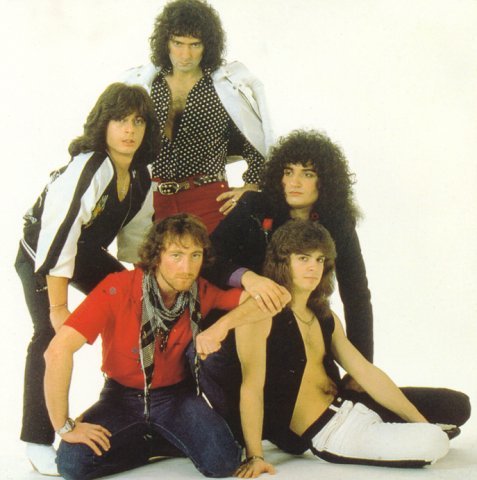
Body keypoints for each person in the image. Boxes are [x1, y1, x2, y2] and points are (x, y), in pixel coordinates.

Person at [44, 214, 290, 480]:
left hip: (175, 397)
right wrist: (64, 426)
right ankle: (149, 444)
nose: (187, 267)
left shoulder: (201, 290)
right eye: (176, 255)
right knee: (72, 465)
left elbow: (277, 299)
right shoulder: (117, 288)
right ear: (156, 256)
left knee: (223, 462)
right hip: (121, 397)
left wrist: (222, 326)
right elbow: (57, 351)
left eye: (195, 256)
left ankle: (158, 437)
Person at [233, 219, 467, 477]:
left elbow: (365, 372)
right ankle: (414, 435)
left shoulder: (324, 316)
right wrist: (255, 455)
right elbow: (251, 387)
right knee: (434, 441)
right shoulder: (262, 312)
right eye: (303, 258)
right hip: (331, 431)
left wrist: (419, 422)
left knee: (457, 407)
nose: (313, 267)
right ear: (282, 262)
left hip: (352, 406)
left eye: (320, 260)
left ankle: (411, 430)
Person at [15, 83, 159, 475]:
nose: (129, 130)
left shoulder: (141, 175)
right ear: (103, 123)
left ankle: (127, 404)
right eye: (119, 120)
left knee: (136, 302)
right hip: (41, 255)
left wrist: (146, 293)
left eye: (138, 121)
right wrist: (59, 307)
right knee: (50, 334)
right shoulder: (91, 165)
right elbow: (58, 237)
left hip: (84, 253)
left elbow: (137, 241)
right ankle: (37, 439)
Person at [206, 129, 373, 362]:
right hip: (246, 321)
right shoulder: (254, 205)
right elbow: (208, 257)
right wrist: (248, 278)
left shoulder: (338, 223)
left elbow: (356, 293)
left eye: (307, 174)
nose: (294, 182)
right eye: (288, 172)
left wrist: (362, 362)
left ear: (325, 181)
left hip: (304, 322)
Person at [122, 0, 273, 232]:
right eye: (178, 43)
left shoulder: (223, 88)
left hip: (208, 197)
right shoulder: (148, 86)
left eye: (195, 45)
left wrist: (251, 186)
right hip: (151, 199)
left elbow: (255, 142)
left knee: (214, 257)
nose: (185, 54)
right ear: (165, 42)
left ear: (207, 46)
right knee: (146, 257)